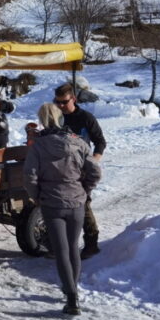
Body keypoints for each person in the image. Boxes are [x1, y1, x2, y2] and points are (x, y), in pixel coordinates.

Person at [23, 102, 102, 316]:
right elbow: (95, 171)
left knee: (61, 251)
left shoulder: (38, 146)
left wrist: (36, 196)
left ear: (41, 120)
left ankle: (72, 296)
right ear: (61, 118)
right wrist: (85, 189)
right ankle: (72, 290)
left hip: (51, 203)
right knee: (73, 248)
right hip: (76, 201)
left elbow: (29, 176)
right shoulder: (77, 142)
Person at [54, 82, 107, 258]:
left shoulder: (86, 117)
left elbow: (100, 141)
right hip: (60, 166)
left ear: (74, 99)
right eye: (57, 102)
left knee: (83, 204)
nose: (61, 105)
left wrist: (93, 161)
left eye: (64, 102)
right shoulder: (57, 117)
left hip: (81, 167)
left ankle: (92, 243)